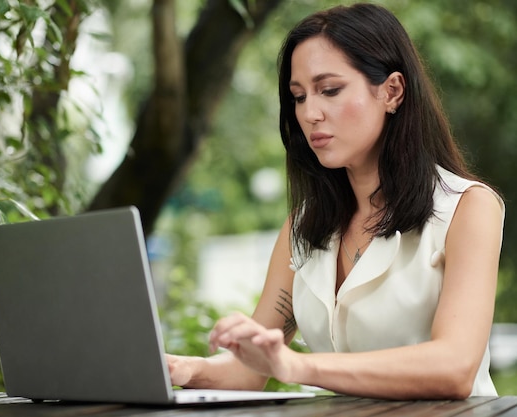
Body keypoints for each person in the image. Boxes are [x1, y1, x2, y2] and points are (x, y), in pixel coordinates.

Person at [166, 2, 505, 400]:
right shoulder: (304, 226)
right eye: (298, 96)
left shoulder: (467, 208)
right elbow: (250, 369)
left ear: (392, 91)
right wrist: (176, 367)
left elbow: (455, 367)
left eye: (329, 90)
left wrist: (298, 365)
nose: (309, 113)